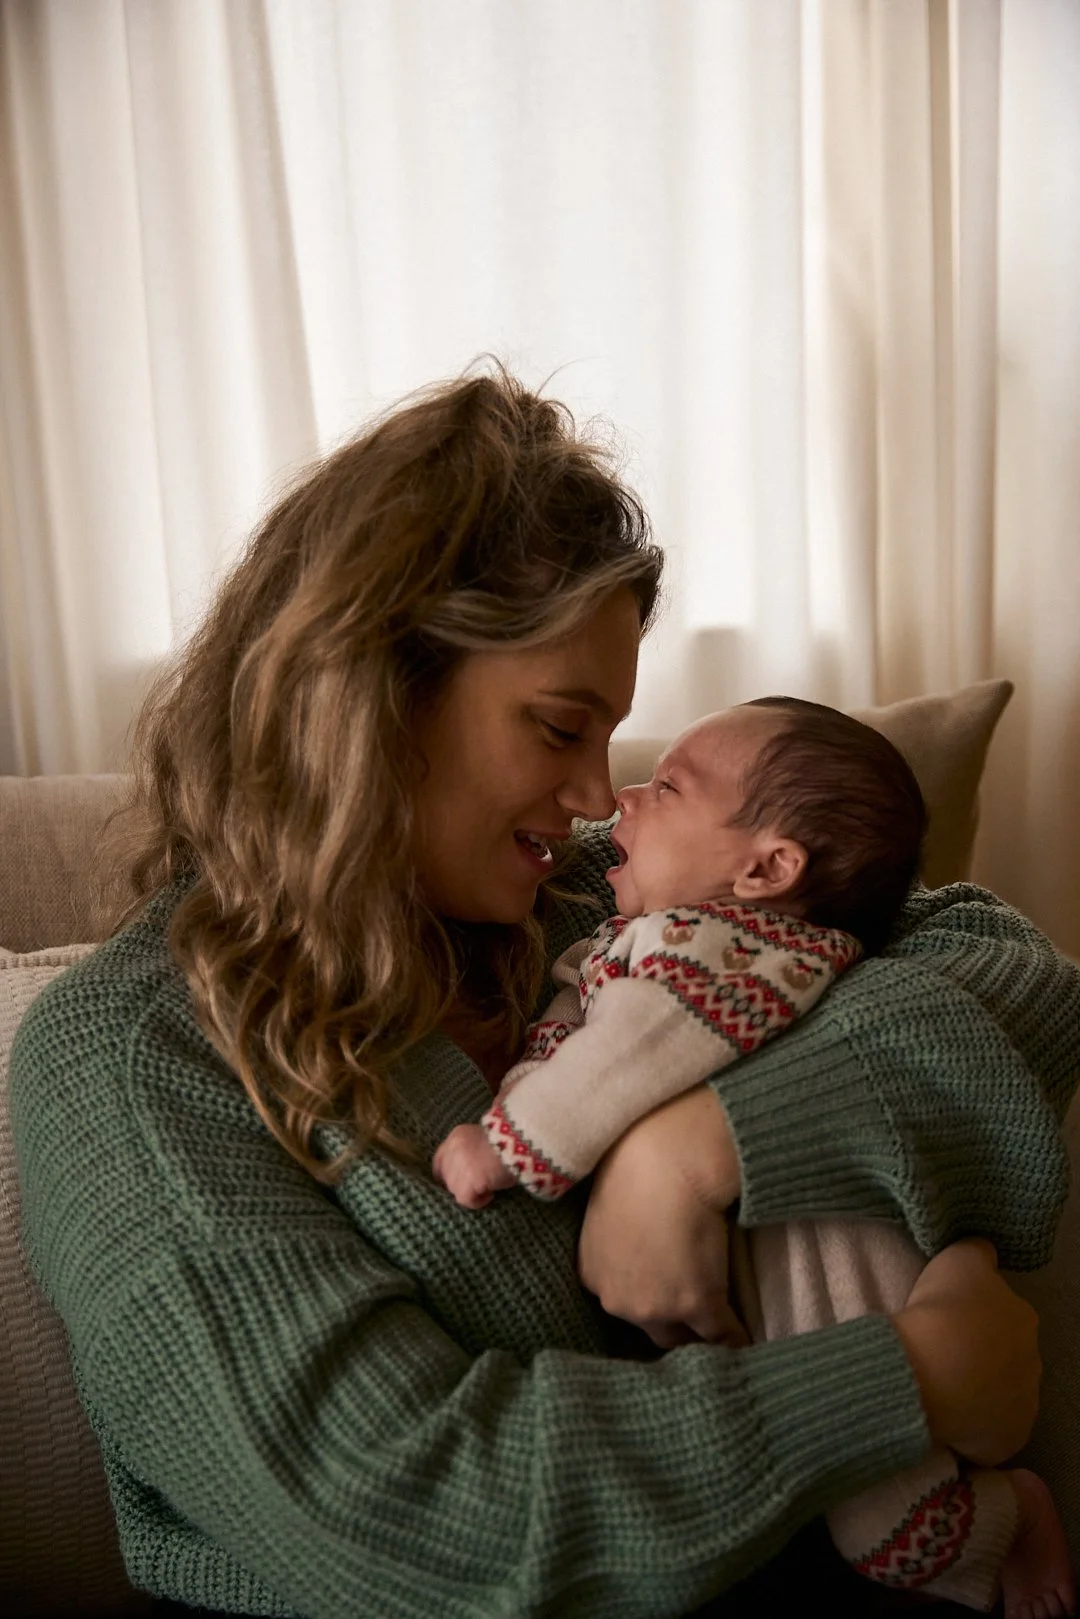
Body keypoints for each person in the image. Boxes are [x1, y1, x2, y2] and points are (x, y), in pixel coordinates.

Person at [9, 366, 1079, 1619]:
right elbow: (407, 1511)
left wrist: (699, 1142)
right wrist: (894, 1383)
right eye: (560, 727)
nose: (591, 798)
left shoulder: (578, 908)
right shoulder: (137, 1063)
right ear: (367, 694)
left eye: (611, 739)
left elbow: (1017, 972)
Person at [434, 698, 1075, 1616]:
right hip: (741, 1353)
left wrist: (523, 1147)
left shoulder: (708, 946)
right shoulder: (642, 927)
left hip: (830, 1264)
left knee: (891, 1526)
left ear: (769, 868)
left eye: (666, 786)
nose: (609, 791)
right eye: (559, 723)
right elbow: (579, 1033)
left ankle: (1007, 1517)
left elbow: (622, 1057)